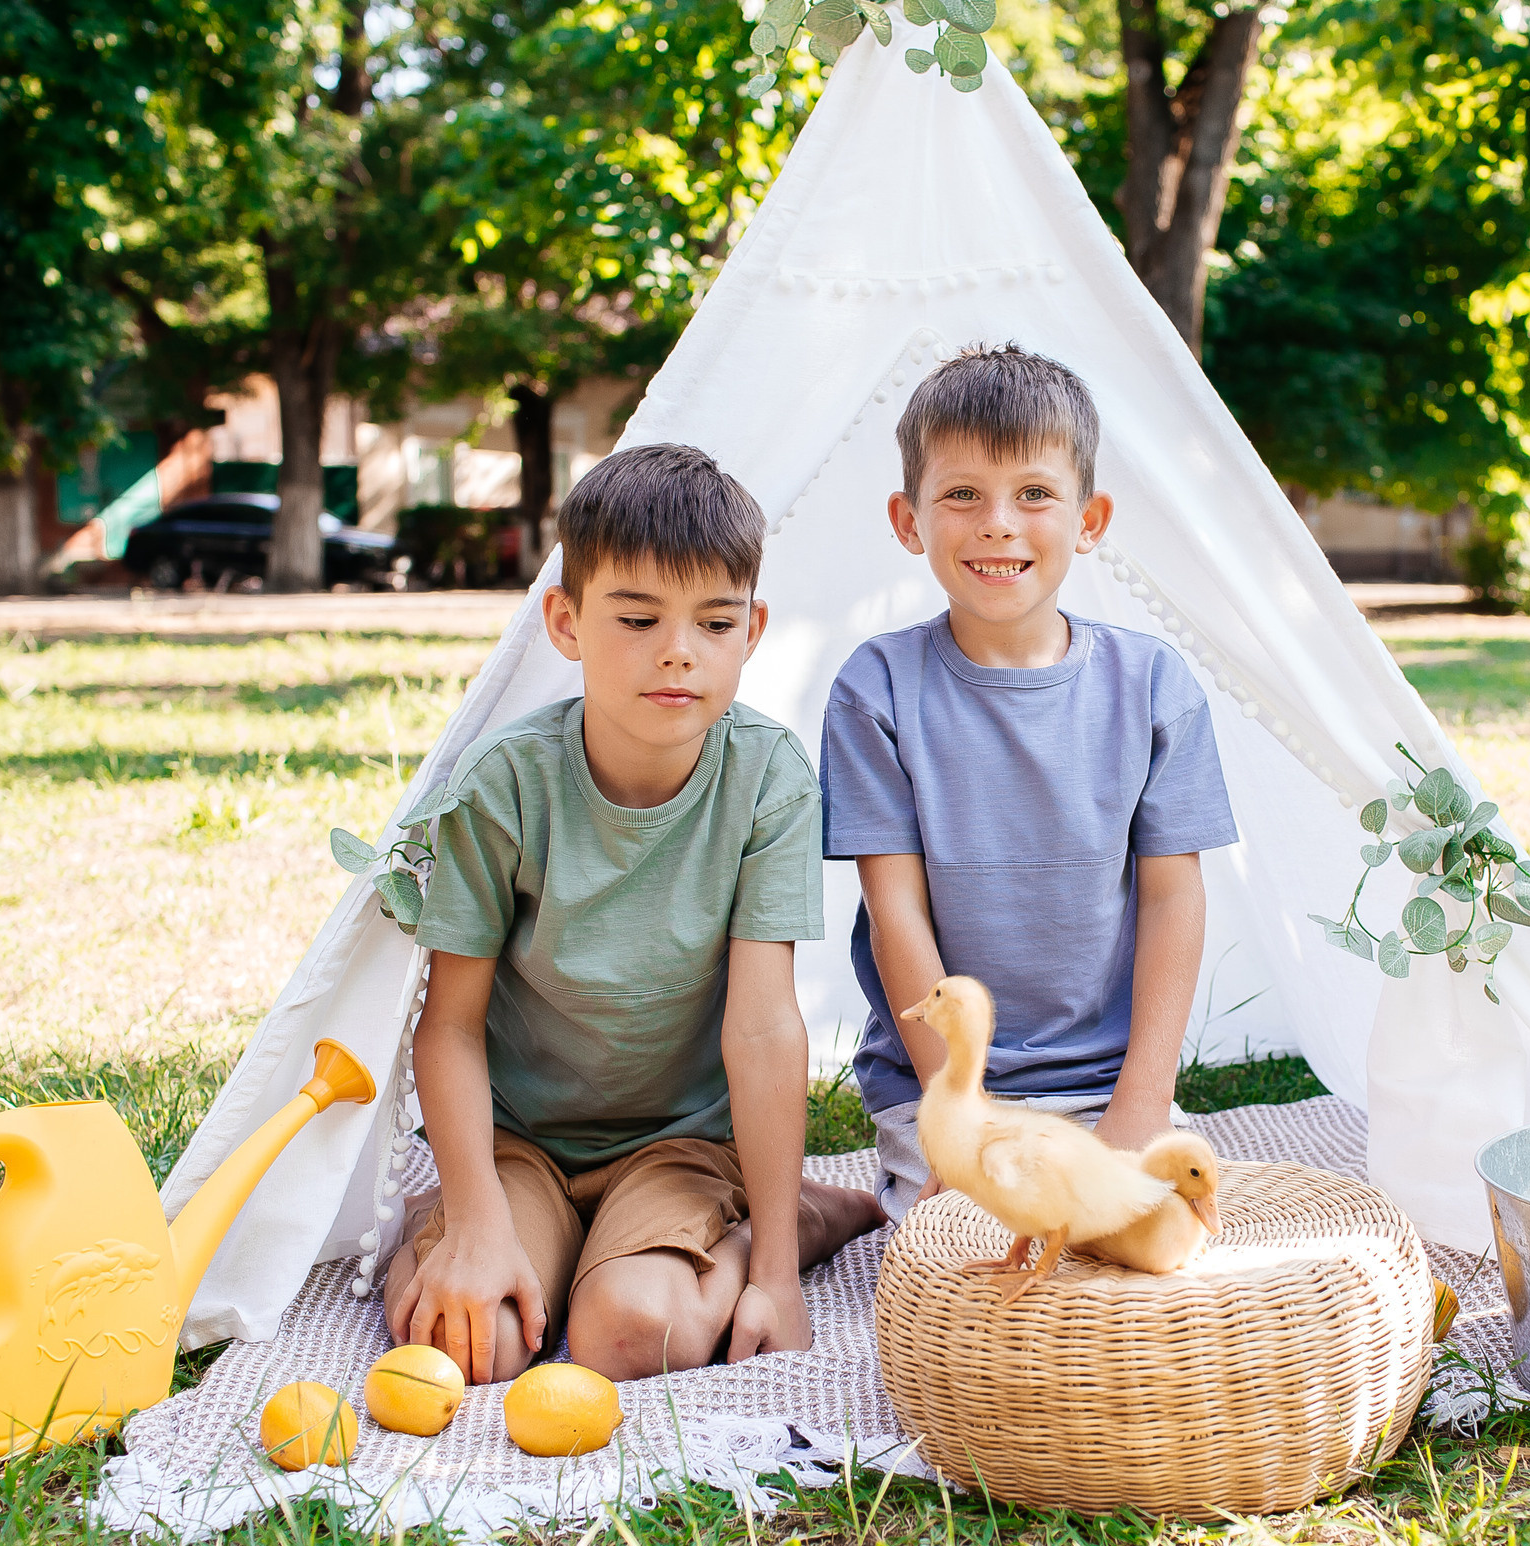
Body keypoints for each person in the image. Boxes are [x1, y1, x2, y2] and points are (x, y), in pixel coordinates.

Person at [384, 443, 885, 1385]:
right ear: (566, 622)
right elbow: (446, 1026)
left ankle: (803, 1215)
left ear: (753, 629)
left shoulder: (767, 779)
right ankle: (488, 1235)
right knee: (469, 1341)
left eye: (714, 621)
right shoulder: (508, 785)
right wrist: (481, 1224)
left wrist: (775, 1269)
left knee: (627, 1335)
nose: (678, 650)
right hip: (519, 1139)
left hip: (679, 1143)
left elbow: (766, 1027)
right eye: (638, 617)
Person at [821, 344, 1240, 1220]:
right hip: (945, 1084)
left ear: (1091, 519)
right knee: (983, 1275)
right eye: (961, 494)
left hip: (1112, 1081)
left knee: (1156, 1256)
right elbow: (895, 912)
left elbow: (1174, 900)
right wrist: (956, 1119)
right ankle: (848, 1206)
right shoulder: (878, 688)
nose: (998, 523)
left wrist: (1140, 1109)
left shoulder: (1154, 685)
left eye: (1035, 493)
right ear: (909, 520)